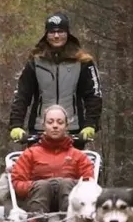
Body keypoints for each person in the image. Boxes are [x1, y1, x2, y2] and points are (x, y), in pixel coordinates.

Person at [8, 12, 102, 145]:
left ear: (68, 34)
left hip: (73, 131)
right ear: (46, 34)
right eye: (52, 32)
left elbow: (94, 96)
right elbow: (22, 95)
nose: (56, 36)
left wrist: (90, 124)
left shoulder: (83, 62)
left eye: (61, 32)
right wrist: (16, 125)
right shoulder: (35, 61)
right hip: (39, 131)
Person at [10, 105, 95, 216]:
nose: (55, 126)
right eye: (50, 122)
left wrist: (68, 185)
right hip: (35, 203)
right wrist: (36, 186)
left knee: (66, 184)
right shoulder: (30, 154)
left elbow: (88, 185)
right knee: (42, 186)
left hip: (71, 207)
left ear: (66, 126)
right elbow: (17, 182)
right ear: (43, 125)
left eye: (60, 122)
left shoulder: (78, 156)